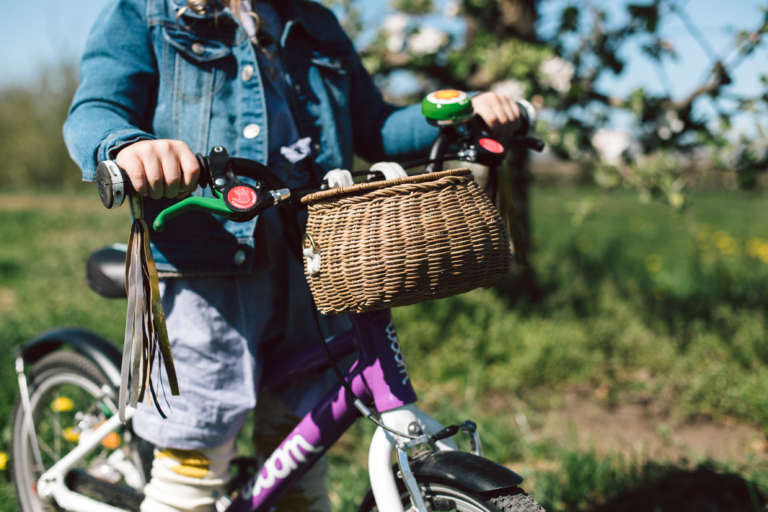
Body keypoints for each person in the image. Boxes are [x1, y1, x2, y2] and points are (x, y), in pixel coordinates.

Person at [63, 0, 527, 510]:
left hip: (319, 263)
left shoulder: (314, 22)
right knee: (193, 464)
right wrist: (127, 145)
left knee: (300, 460)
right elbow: (96, 109)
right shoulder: (148, 13)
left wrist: (461, 113)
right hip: (210, 266)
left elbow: (375, 126)